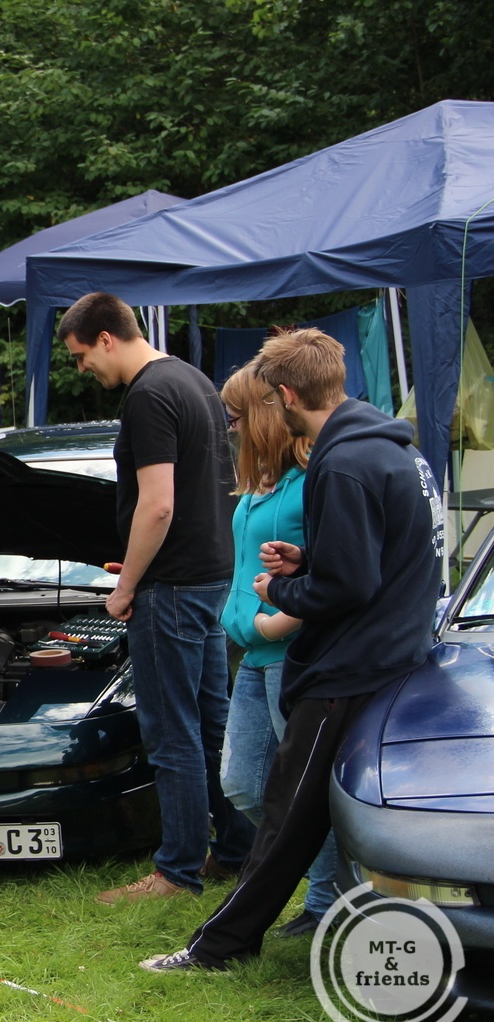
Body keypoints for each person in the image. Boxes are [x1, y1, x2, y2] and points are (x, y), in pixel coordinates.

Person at [143, 327, 444, 972]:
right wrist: (308, 560)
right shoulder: (392, 449)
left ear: (285, 394)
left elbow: (348, 587)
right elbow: (380, 558)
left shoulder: (345, 463)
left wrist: (281, 587)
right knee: (299, 808)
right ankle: (324, 917)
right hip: (391, 654)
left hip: (353, 665)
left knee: (287, 815)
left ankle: (218, 947)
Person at [57, 292, 252, 904]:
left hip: (171, 589)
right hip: (210, 577)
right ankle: (238, 849)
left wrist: (128, 584)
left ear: (106, 337)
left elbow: (159, 504)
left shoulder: (147, 395)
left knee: (171, 732)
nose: (83, 369)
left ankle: (177, 871)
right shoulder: (193, 380)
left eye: (82, 355)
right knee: (212, 724)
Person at [217, 363, 337, 939]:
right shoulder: (260, 479)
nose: (231, 427)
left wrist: (275, 624)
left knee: (303, 787)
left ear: (267, 413)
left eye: (237, 416)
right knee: (242, 781)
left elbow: (335, 575)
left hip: (290, 656)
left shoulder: (313, 480)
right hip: (253, 656)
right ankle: (328, 875)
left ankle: (326, 901)